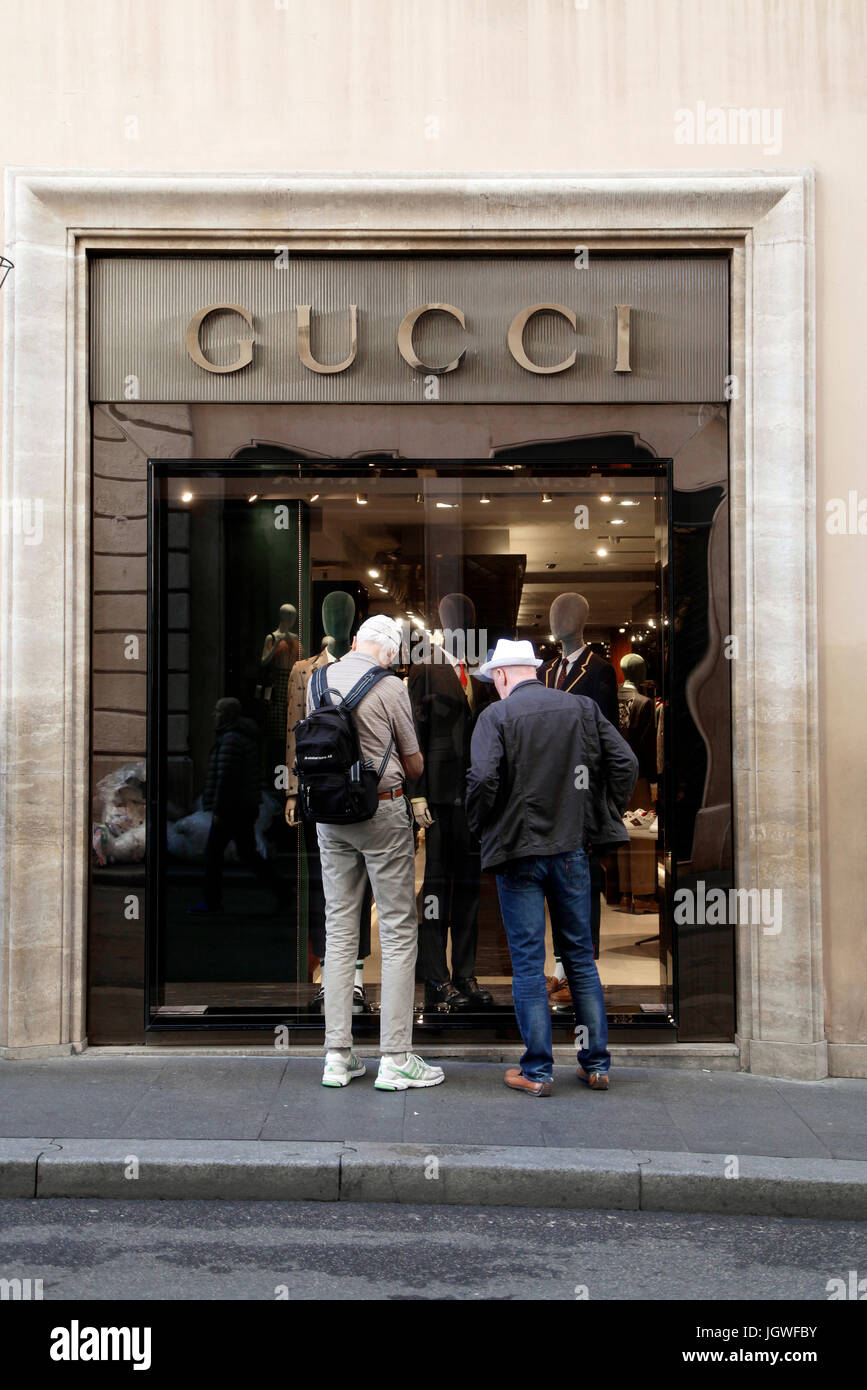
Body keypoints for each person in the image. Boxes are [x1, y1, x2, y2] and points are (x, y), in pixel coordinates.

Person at [466, 639, 638, 1097]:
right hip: (572, 849)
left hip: (518, 854)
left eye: (492, 681)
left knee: (527, 963)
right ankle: (596, 1065)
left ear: (502, 676)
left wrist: (480, 825)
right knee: (579, 958)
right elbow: (626, 763)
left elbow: (483, 779)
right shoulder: (580, 708)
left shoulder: (495, 717)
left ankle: (538, 1072)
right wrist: (602, 813)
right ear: (533, 671)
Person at [308, 615, 445, 1092]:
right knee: (399, 928)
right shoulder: (389, 685)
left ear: (354, 642)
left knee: (340, 929)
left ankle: (336, 1056)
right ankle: (395, 1057)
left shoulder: (318, 678)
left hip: (329, 816)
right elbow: (412, 762)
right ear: (388, 650)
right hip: (381, 813)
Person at [191, 697, 288, 914]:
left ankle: (211, 902)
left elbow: (227, 778)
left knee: (213, 855)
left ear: (227, 714)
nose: (213, 715)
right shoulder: (237, 737)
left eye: (217, 711)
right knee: (248, 854)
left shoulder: (231, 740)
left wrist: (219, 809)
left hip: (232, 809)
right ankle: (283, 890)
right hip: (242, 807)